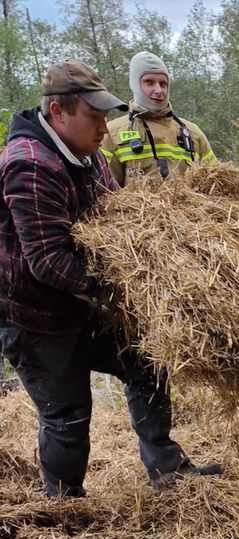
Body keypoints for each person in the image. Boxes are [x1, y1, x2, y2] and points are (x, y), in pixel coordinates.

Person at [0, 61, 221, 497]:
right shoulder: (30, 164)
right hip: (36, 317)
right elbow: (48, 260)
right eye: (95, 116)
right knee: (68, 415)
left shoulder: (88, 154)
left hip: (83, 301)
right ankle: (65, 505)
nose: (105, 128)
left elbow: (115, 214)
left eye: (106, 116)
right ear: (59, 111)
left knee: (146, 361)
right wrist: (122, 293)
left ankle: (167, 469)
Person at [100, 51, 217, 185]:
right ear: (135, 85)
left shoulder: (192, 133)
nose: (158, 90)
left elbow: (217, 181)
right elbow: (105, 191)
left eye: (163, 83)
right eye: (149, 82)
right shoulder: (112, 132)